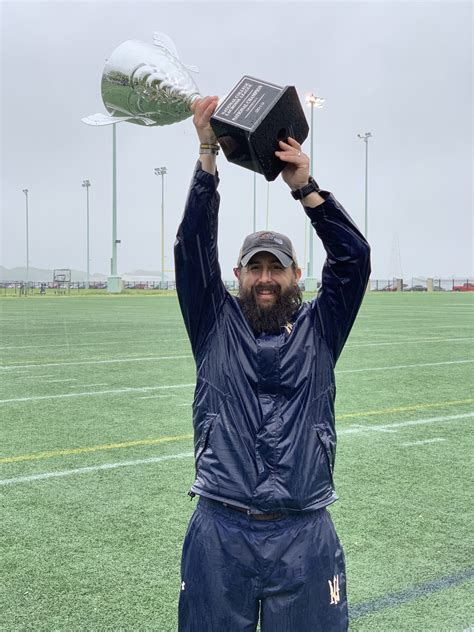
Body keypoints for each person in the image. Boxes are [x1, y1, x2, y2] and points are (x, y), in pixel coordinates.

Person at [174, 96, 371, 632]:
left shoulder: (321, 328)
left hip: (304, 532)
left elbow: (353, 260)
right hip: (221, 529)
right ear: (237, 273)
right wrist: (208, 154)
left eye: (276, 269)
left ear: (296, 274)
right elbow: (192, 246)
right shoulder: (213, 322)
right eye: (255, 268)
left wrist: (305, 188)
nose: (266, 279)